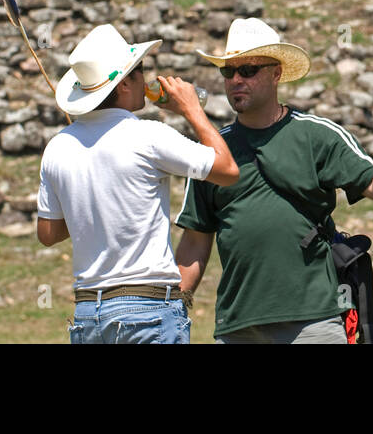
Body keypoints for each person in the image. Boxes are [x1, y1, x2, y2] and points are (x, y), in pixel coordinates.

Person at [174, 17, 373, 344]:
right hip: (238, 325)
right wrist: (174, 304)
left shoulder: (317, 135)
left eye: (248, 70)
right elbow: (196, 241)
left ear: (276, 73)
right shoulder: (212, 152)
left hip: (314, 319)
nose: (236, 80)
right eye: (229, 71)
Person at [37, 23, 239, 343]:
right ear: (124, 85)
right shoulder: (148, 135)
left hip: (89, 313)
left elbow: (48, 234)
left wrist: (86, 203)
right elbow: (227, 170)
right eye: (139, 70)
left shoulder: (58, 147)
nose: (144, 78)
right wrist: (192, 110)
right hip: (145, 310)